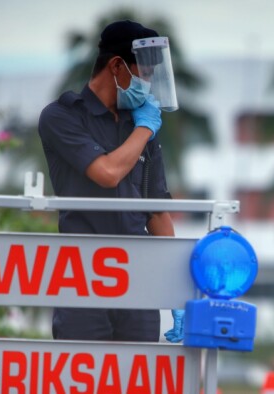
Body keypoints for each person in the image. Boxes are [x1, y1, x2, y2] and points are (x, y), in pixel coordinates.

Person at [38, 20, 184, 342]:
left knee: (137, 380)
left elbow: (158, 211)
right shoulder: (63, 116)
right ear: (117, 66)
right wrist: (144, 130)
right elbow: (106, 173)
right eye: (144, 74)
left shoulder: (140, 126)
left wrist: (175, 288)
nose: (147, 85)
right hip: (82, 277)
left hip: (136, 277)